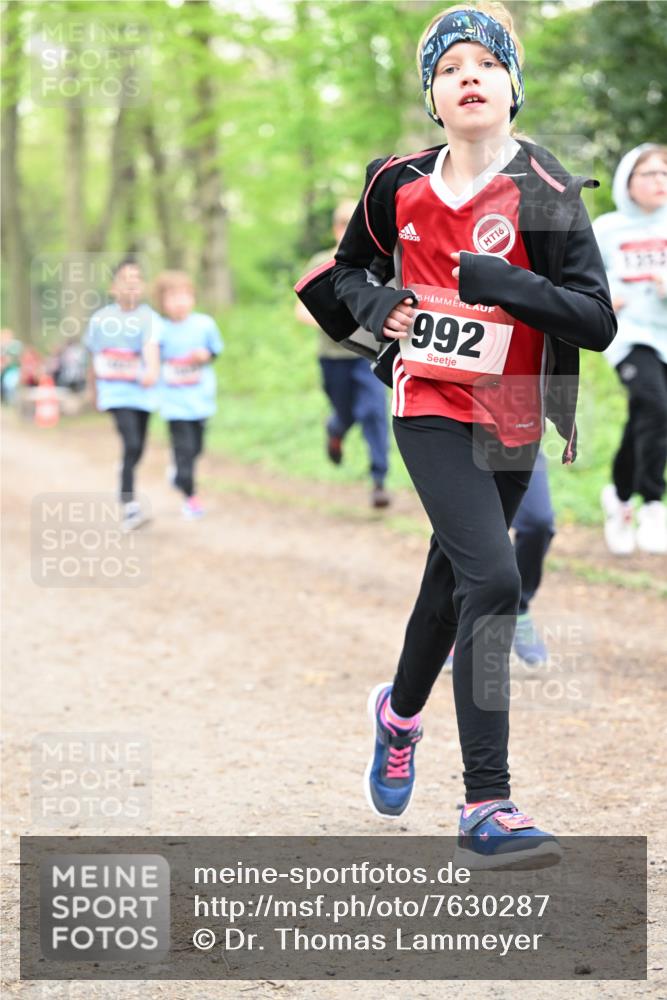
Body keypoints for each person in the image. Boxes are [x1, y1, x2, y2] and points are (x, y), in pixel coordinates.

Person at [313, 2, 616, 868]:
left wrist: (510, 285)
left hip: (514, 412)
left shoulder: (546, 189)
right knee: (492, 576)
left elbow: (594, 320)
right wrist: (381, 306)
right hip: (430, 404)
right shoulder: (395, 182)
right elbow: (347, 273)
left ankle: (396, 715)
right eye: (450, 69)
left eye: (485, 64)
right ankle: (488, 804)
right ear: (433, 96)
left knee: (451, 587)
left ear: (511, 86)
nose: (468, 77)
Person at [593, 144, 667, 556]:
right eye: (650, 174)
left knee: (646, 415)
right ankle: (654, 505)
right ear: (628, 182)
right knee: (656, 407)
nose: (659, 182)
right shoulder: (607, 228)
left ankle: (619, 499)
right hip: (631, 335)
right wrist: (610, 292)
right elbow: (586, 277)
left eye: (664, 174)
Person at [295, 202, 392, 509]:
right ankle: (335, 429)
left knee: (374, 412)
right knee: (347, 412)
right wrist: (337, 322)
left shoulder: (377, 261)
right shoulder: (323, 262)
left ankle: (379, 481)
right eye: (346, 225)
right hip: (333, 357)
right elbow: (301, 310)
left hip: (368, 355)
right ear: (338, 229)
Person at [84, 257, 161, 531]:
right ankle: (129, 505)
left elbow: (151, 347)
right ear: (113, 287)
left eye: (136, 281)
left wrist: (152, 369)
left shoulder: (150, 318)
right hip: (115, 394)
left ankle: (125, 469)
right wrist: (91, 391)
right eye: (125, 281)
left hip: (142, 393)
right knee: (130, 442)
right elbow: (93, 357)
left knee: (137, 446)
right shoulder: (100, 319)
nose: (131, 286)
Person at [153, 270, 223, 520]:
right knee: (185, 452)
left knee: (196, 449)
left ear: (192, 297)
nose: (179, 302)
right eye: (172, 297)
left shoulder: (205, 324)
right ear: (162, 303)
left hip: (200, 399)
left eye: (184, 295)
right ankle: (190, 497)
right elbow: (152, 359)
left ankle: (179, 472)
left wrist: (206, 355)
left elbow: (216, 350)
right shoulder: (159, 330)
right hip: (174, 403)